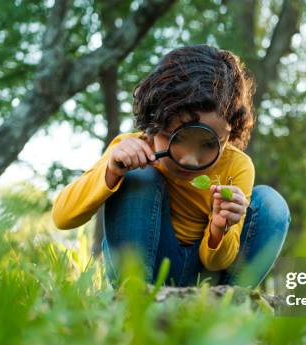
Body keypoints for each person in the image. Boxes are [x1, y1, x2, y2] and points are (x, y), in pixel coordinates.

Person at [52, 44, 290, 288]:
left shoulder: (237, 166)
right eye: (173, 137)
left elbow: (217, 262)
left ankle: (232, 304)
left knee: (272, 204)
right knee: (139, 174)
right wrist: (112, 171)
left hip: (207, 280)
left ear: (230, 132)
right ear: (152, 123)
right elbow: (62, 218)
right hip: (151, 265)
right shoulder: (130, 149)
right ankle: (133, 295)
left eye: (209, 144)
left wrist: (221, 227)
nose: (189, 159)